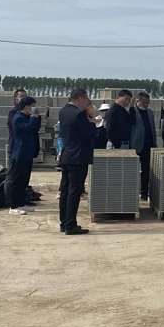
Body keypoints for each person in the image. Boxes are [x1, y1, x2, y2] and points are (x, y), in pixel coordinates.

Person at [58, 88, 96, 235]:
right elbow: (89, 133)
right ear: (80, 98)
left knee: (65, 191)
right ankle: (71, 224)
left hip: (67, 155)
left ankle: (64, 222)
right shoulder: (79, 114)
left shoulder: (64, 111)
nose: (87, 102)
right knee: (75, 191)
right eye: (86, 99)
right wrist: (91, 120)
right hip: (78, 157)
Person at [5, 96, 41, 216]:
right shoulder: (18, 118)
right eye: (32, 106)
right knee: (16, 181)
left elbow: (35, 128)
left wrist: (37, 117)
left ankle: (21, 203)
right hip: (19, 153)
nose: (34, 108)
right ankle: (13, 206)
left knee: (24, 181)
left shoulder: (27, 117)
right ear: (26, 107)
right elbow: (27, 127)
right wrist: (33, 118)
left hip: (28, 153)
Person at [129, 92, 157, 201]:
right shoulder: (132, 111)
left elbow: (152, 128)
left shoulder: (149, 112)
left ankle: (144, 192)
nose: (146, 105)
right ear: (138, 101)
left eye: (148, 103)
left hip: (148, 145)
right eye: (144, 102)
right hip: (136, 145)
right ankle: (132, 192)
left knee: (146, 170)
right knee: (133, 170)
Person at [6, 88, 27, 158]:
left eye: (25, 97)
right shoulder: (13, 112)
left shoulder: (28, 112)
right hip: (16, 146)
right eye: (21, 96)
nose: (24, 99)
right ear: (16, 99)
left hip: (26, 146)